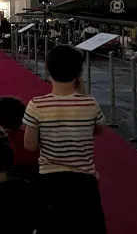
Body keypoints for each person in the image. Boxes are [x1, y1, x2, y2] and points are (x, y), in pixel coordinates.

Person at [23, 44, 107, 234]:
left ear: (48, 70)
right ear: (79, 73)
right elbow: (99, 130)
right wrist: (83, 93)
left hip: (50, 180)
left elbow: (29, 145)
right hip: (85, 181)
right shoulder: (90, 103)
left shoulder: (37, 105)